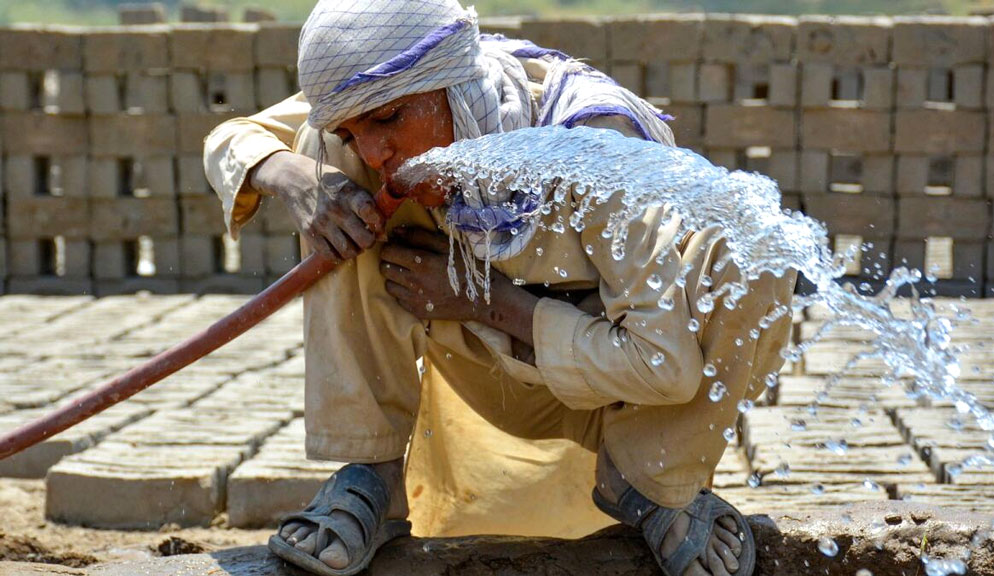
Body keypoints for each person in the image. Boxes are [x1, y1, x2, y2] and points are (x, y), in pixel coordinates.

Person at [203, 2, 796, 575]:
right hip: (490, 376)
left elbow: (666, 367)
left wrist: (486, 301)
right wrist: (296, 182)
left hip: (628, 399)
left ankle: (649, 482)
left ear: (456, 89)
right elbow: (231, 139)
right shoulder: (377, 94)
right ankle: (373, 480)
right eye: (356, 129)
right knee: (319, 163)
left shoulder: (600, 146)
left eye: (389, 120)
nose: (376, 150)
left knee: (758, 249)